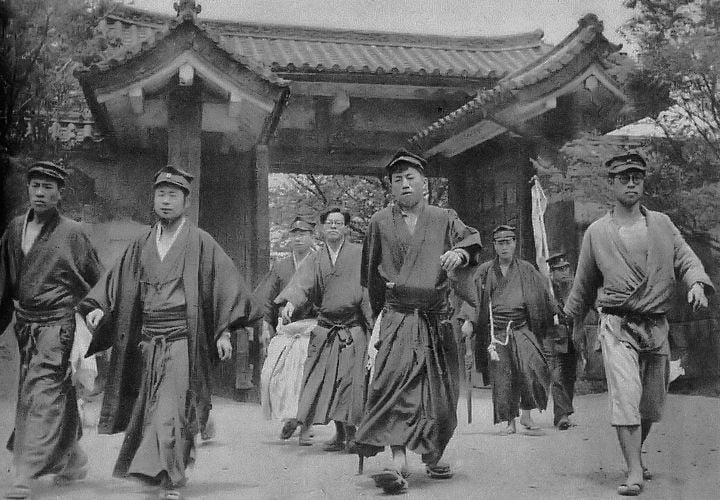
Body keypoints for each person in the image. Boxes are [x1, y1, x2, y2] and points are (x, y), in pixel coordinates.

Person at [78, 165, 260, 500]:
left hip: (182, 339)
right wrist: (100, 307)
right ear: (153, 199)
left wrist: (222, 332)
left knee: (170, 407)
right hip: (148, 339)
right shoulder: (142, 243)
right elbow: (115, 283)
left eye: (173, 195)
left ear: (185, 202)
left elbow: (225, 287)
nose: (165, 201)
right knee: (151, 408)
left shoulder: (200, 242)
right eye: (160, 194)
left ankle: (163, 475)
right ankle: (169, 468)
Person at [563, 152, 712, 497]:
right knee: (626, 397)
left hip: (656, 325)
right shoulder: (597, 233)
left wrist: (697, 283)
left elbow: (687, 258)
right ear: (612, 183)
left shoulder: (662, 224)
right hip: (617, 325)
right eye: (624, 177)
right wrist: (568, 319)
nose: (631, 183)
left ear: (643, 182)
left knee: (651, 403)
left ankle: (636, 451)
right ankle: (633, 470)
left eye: (637, 177)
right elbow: (583, 284)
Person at [351, 150, 482, 495]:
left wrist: (461, 253)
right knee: (392, 386)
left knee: (439, 393)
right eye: (397, 179)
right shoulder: (379, 221)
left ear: (424, 183)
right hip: (397, 316)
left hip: (436, 318)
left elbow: (469, 239)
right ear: (390, 187)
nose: (405, 184)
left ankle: (433, 454)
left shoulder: (443, 217)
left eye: (411, 178)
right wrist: (378, 319)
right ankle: (397, 460)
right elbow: (370, 277)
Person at [0, 161, 103, 500]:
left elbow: (96, 278)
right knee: (42, 393)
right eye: (35, 186)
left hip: (57, 325)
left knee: (43, 392)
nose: (40, 193)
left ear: (61, 193)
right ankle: (72, 458)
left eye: (48, 187)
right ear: (27, 189)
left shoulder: (73, 232)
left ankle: (26, 471)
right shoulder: (16, 228)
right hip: (26, 324)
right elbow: (4, 281)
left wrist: (93, 310)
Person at [277, 207, 369, 451]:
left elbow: (369, 288)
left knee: (349, 382)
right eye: (329, 223)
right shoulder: (315, 259)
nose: (334, 227)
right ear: (322, 228)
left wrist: (374, 324)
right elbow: (302, 284)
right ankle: (338, 434)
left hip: (352, 328)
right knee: (328, 382)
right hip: (326, 328)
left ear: (347, 228)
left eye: (339, 223)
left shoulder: (359, 254)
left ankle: (351, 434)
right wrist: (290, 302)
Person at [467, 225, 554, 435]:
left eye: (508, 242)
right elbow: (472, 299)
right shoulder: (486, 270)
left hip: (522, 327)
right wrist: (468, 321)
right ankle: (509, 421)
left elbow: (543, 295)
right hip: (496, 333)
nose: (504, 247)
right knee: (503, 376)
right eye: (500, 243)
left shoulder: (526, 269)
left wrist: (554, 313)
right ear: (494, 246)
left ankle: (526, 414)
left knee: (531, 369)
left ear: (515, 243)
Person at [256, 216, 318, 435]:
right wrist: (266, 324)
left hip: (312, 327)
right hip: (286, 327)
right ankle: (290, 417)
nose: (299, 238)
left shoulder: (319, 262)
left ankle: (305, 425)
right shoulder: (281, 265)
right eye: (295, 234)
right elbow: (268, 297)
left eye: (304, 234)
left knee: (303, 376)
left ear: (312, 236)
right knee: (273, 375)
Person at [546, 252, 577, 430]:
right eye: (559, 270)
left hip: (573, 338)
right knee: (556, 377)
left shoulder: (574, 289)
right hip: (554, 339)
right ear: (552, 273)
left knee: (570, 377)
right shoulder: (548, 290)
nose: (564, 272)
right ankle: (562, 416)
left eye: (566, 268)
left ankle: (564, 413)